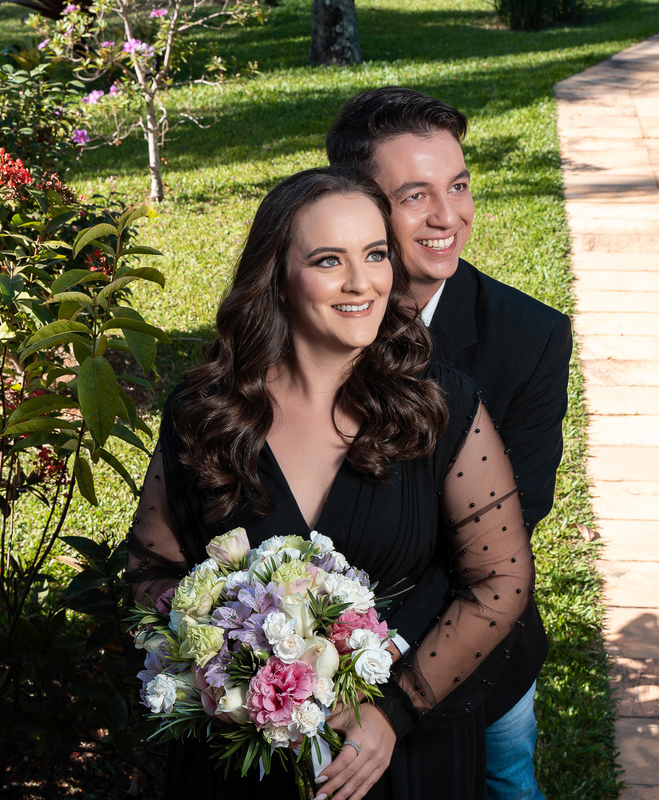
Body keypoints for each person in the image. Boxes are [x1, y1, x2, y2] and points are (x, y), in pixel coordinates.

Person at [125, 167, 534, 800]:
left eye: (375, 254)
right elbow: (152, 567)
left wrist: (392, 711)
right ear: (277, 278)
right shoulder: (204, 414)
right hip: (243, 768)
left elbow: (500, 580)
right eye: (327, 260)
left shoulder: (439, 404)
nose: (361, 282)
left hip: (400, 760)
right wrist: (231, 663)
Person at [327, 88, 573, 800]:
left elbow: (513, 523)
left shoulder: (528, 339)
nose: (448, 217)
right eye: (415, 195)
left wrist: (380, 657)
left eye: (458, 186)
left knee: (505, 782)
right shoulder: (311, 321)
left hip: (478, 646)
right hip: (316, 647)